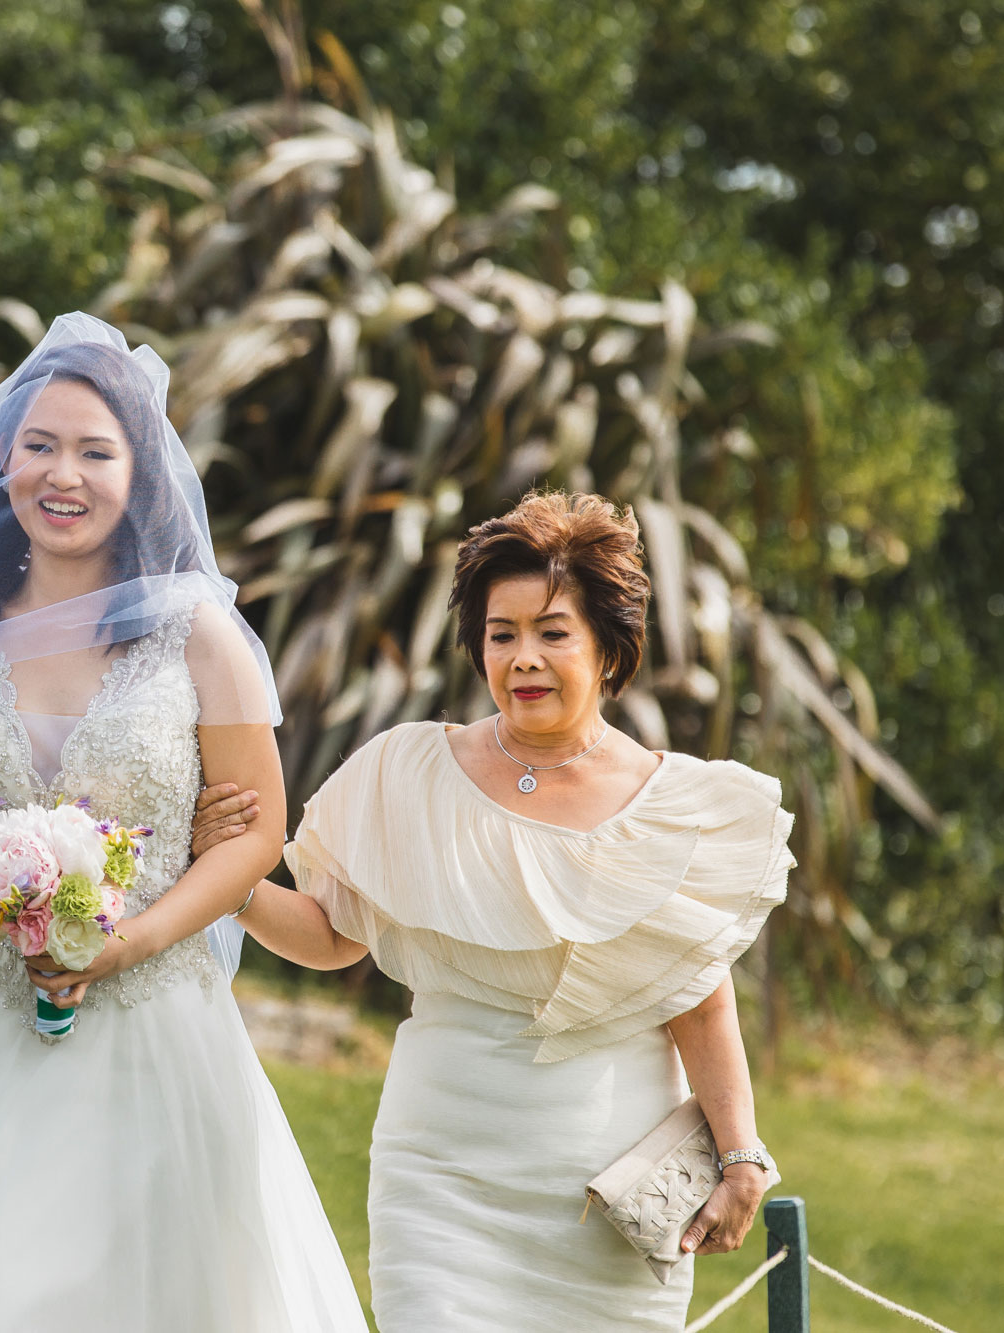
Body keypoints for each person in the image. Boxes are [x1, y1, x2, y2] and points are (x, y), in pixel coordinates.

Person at [0, 313, 369, 1332]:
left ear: (138, 474)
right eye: (40, 445)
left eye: (95, 451)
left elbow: (254, 832)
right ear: (0, 459)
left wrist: (125, 941)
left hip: (154, 1027)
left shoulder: (196, 633)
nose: (64, 474)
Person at [191, 490, 793, 1330]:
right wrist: (234, 882)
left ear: (609, 649)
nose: (523, 659)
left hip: (606, 1199)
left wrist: (739, 1155)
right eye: (501, 634)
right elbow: (333, 935)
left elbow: (700, 998)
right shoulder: (407, 771)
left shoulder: (672, 807)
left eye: (552, 633)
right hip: (440, 1179)